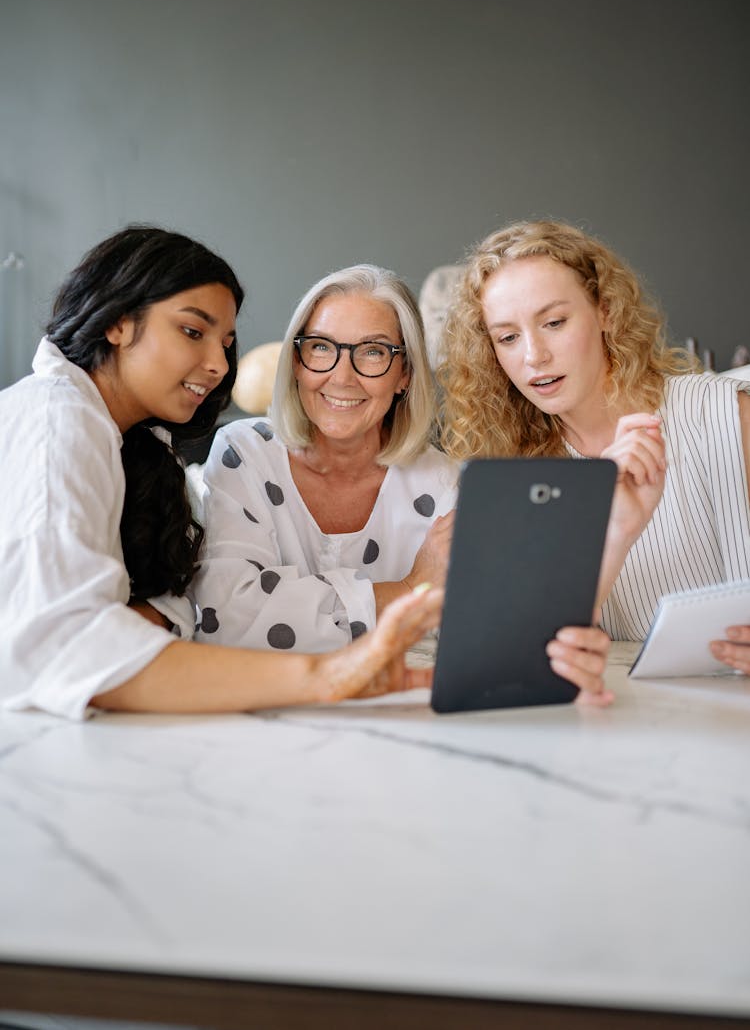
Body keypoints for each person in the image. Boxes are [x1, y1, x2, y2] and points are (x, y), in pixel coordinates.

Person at [0, 228, 446, 721]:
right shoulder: (56, 420)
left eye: (226, 342)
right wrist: (329, 675)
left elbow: (172, 611)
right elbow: (62, 647)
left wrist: (157, 618)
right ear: (118, 323)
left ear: (406, 373)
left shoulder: (138, 444)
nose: (217, 365)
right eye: (193, 331)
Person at [192, 262, 612, 702]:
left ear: (404, 374)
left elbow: (488, 633)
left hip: (401, 713)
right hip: (268, 718)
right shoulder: (246, 452)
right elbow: (229, 621)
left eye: (372, 352)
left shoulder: (444, 481)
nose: (341, 375)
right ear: (297, 362)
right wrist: (409, 591)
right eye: (320, 347)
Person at [438, 219, 750, 669]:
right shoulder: (513, 472)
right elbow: (529, 654)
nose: (534, 356)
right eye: (507, 337)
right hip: (625, 719)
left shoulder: (725, 414)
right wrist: (615, 532)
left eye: (554, 322)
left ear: (605, 311)